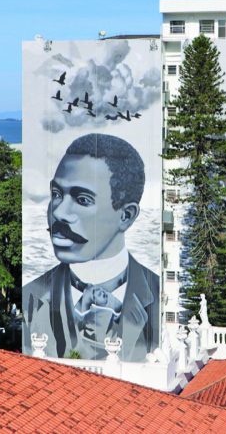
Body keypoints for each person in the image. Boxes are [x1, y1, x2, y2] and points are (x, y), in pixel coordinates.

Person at [23, 133, 159, 362]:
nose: (58, 212)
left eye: (83, 199)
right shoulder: (30, 297)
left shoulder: (159, 295)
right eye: (56, 194)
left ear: (126, 216)